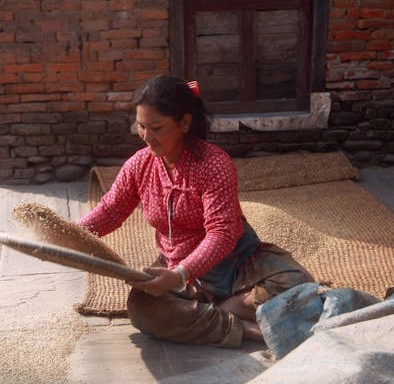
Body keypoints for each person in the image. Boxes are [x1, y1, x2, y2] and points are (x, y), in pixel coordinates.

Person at [77, 75, 313, 349]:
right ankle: (245, 327)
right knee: (142, 309)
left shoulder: (214, 165)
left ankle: (216, 311)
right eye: (141, 126)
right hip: (179, 271)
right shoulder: (140, 165)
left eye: (157, 127)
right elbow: (110, 211)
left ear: (185, 123)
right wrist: (69, 234)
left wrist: (179, 274)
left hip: (237, 264)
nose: (147, 138)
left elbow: (223, 233)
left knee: (299, 287)